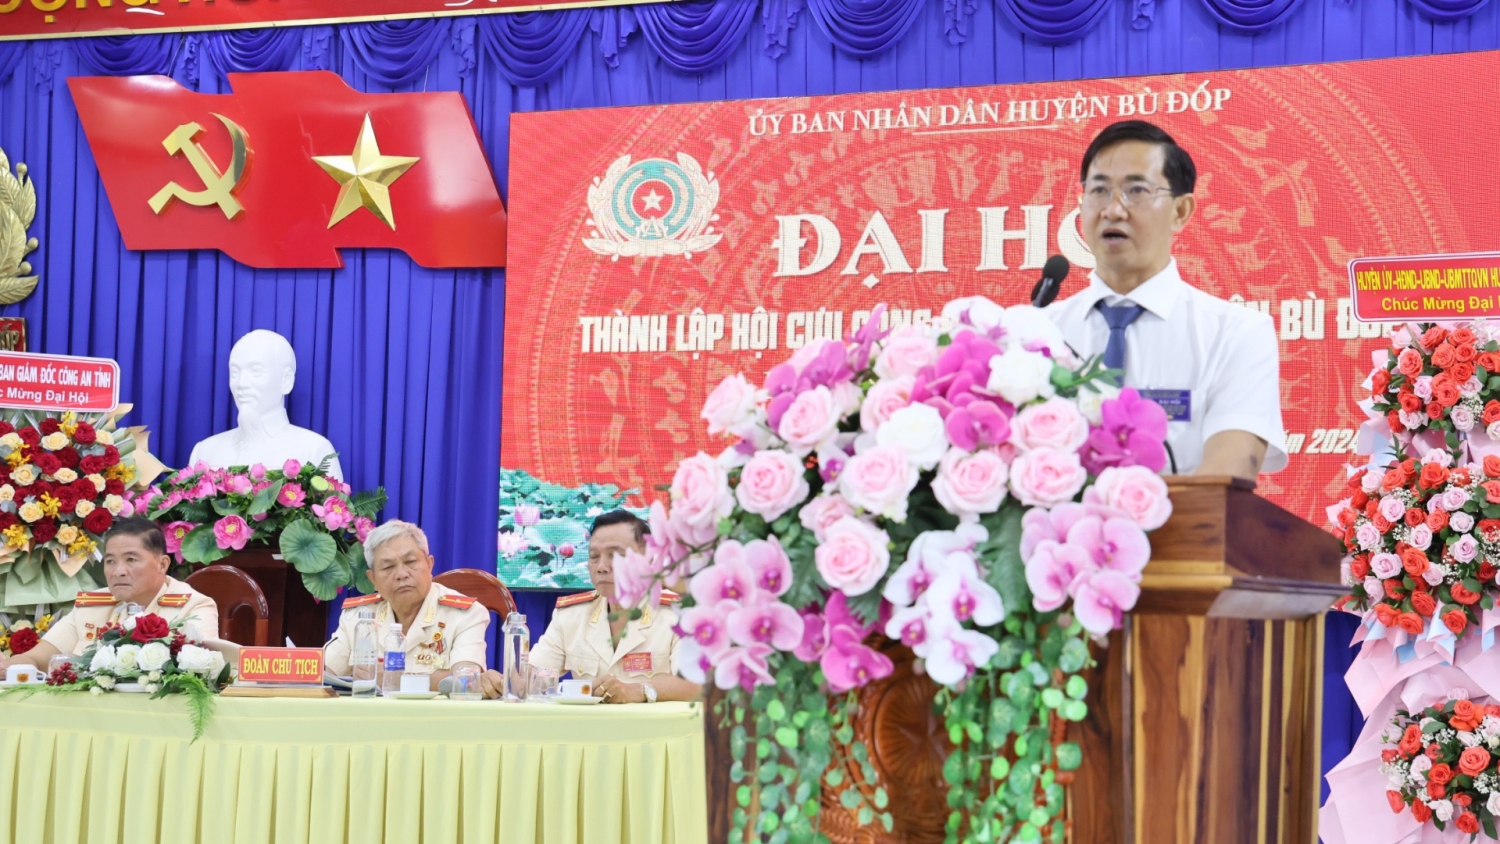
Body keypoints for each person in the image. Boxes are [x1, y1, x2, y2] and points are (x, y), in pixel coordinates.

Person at [1045, 119, 1287, 479]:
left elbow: (1228, 473)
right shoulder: (1039, 332)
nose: (1113, 210)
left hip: (1181, 518)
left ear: (1180, 211)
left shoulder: (1236, 334)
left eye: (1136, 190)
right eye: (1098, 190)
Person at [483, 510, 699, 703]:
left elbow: (695, 685)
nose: (601, 567)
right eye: (594, 556)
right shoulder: (572, 615)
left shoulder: (681, 614)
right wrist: (502, 682)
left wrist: (639, 690)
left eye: (615, 556)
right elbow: (530, 678)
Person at [0, 517, 219, 672]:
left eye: (131, 560)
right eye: (110, 561)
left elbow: (201, 670)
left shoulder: (193, 606)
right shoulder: (90, 607)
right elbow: (37, 658)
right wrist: (8, 666)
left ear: (162, 564)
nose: (118, 571)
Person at [323, 519, 488, 690]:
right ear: (372, 579)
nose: (401, 574)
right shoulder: (358, 617)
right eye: (388, 567)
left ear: (430, 564)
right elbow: (324, 674)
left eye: (410, 562)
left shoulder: (466, 614)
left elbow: (468, 680)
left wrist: (397, 679)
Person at [187, 329, 344, 479]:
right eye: (235, 372)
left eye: (256, 371)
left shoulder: (314, 450)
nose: (241, 383)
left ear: (286, 380)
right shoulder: (205, 452)